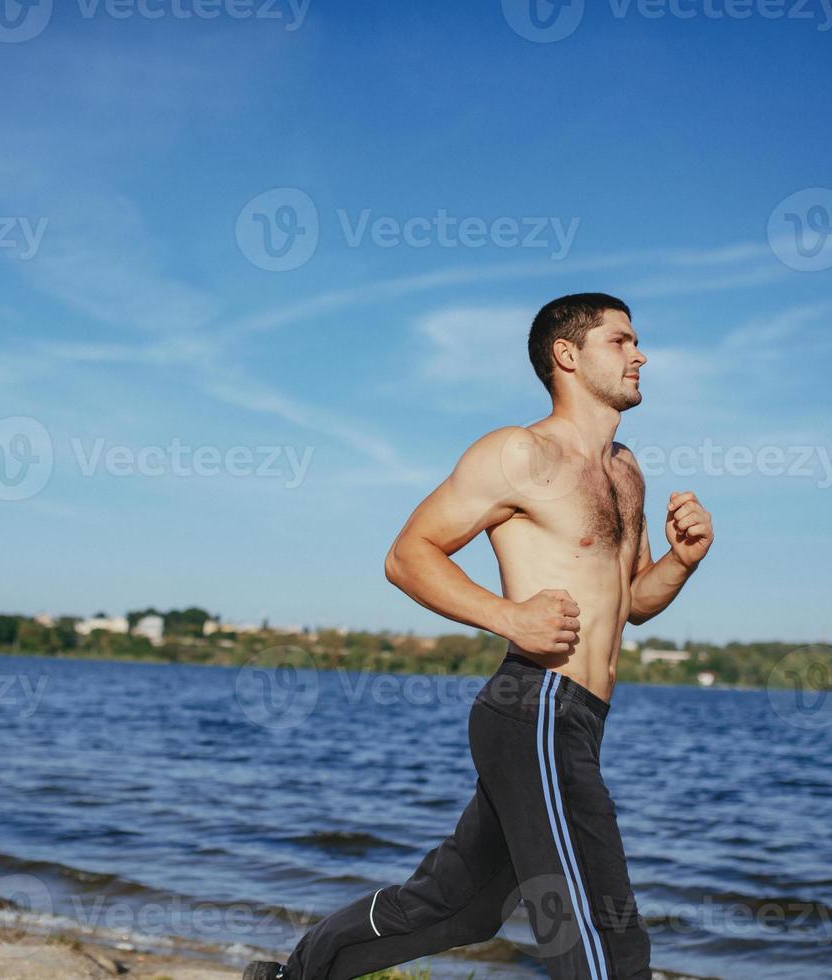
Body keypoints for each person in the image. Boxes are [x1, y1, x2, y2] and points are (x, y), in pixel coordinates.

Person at [245, 293, 713, 980]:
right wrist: (507, 616)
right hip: (534, 709)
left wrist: (681, 560)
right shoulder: (518, 453)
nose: (639, 354)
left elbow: (631, 604)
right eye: (620, 341)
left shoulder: (626, 469)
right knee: (599, 929)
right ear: (567, 355)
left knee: (455, 907)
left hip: (580, 719)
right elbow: (408, 555)